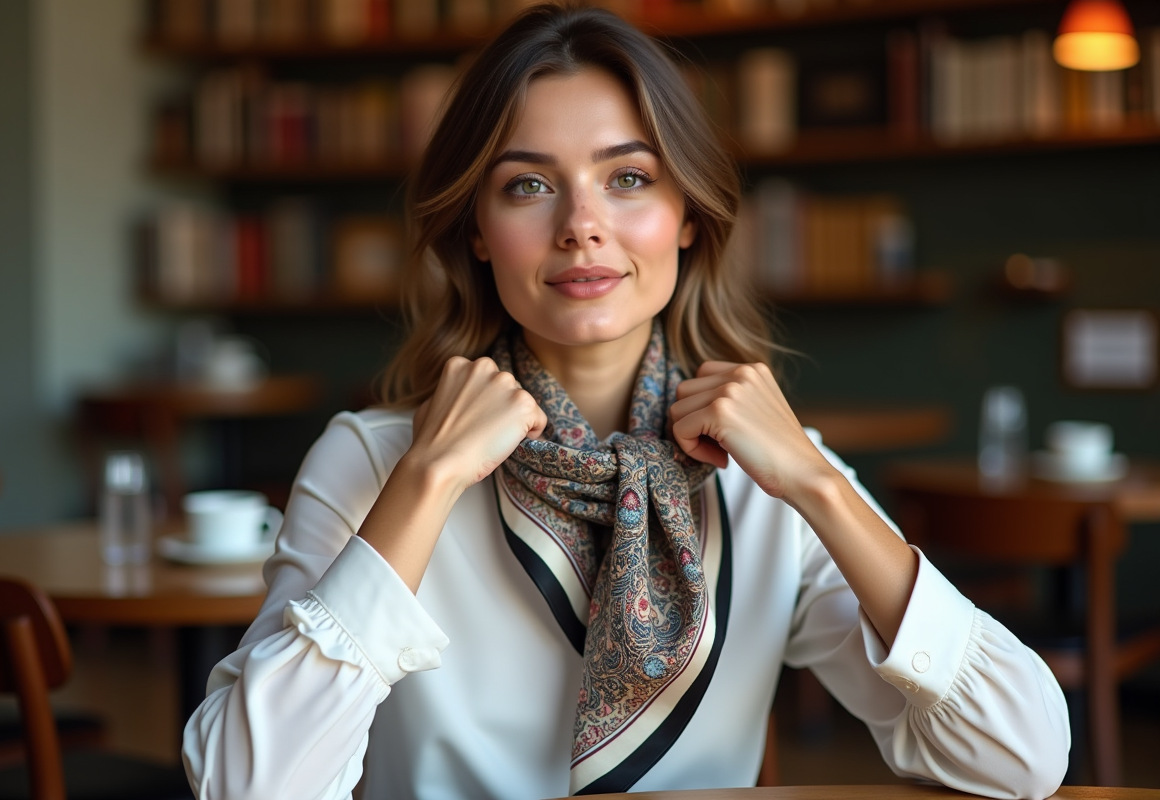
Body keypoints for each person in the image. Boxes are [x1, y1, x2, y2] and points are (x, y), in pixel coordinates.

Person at [182, 5, 1070, 799]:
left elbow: (1022, 755)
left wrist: (819, 485)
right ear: (478, 233)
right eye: (527, 184)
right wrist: (428, 479)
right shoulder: (376, 461)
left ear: (688, 215)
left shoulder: (769, 476)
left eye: (629, 177)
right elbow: (247, 788)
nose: (581, 223)